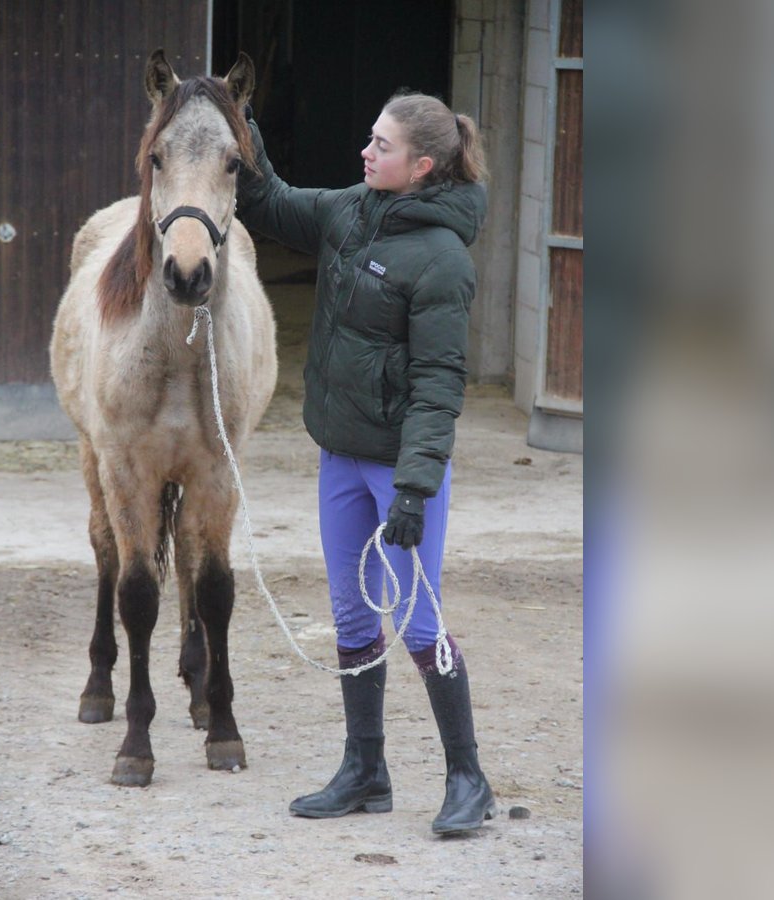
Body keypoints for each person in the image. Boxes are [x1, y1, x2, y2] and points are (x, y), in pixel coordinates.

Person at [236, 91, 496, 835]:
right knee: (351, 614)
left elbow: (440, 385)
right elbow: (272, 202)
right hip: (341, 456)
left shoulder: (443, 259)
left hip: (399, 471)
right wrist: (242, 130)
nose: (365, 151)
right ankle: (365, 770)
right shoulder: (351, 210)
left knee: (419, 621)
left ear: (422, 166)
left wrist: (415, 490)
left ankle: (467, 776)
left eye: (381, 145)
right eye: (370, 137)